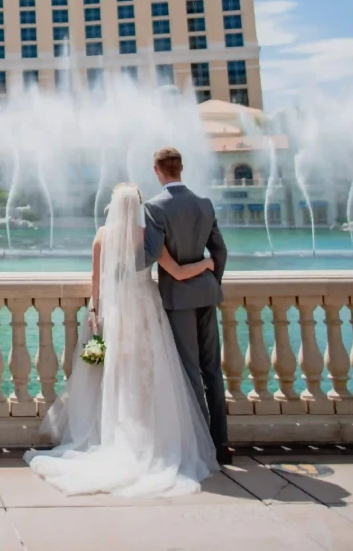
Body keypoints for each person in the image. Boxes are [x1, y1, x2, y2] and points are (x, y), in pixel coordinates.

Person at [24, 181, 218, 497]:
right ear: (140, 206)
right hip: (146, 311)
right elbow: (180, 273)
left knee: (119, 377)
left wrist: (94, 310)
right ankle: (150, 441)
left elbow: (96, 282)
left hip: (116, 314)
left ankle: (120, 438)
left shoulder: (102, 235)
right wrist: (208, 263)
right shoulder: (150, 236)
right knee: (150, 378)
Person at [144, 146, 232, 466]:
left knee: (189, 369)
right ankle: (222, 443)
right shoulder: (204, 204)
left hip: (178, 299)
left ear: (157, 171)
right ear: (181, 168)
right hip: (207, 294)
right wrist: (211, 281)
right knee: (212, 369)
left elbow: (151, 253)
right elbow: (220, 252)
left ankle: (200, 445)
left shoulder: (154, 208)